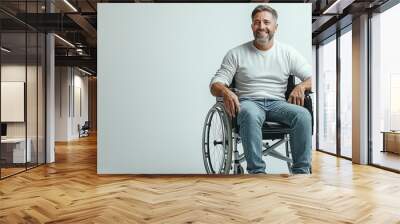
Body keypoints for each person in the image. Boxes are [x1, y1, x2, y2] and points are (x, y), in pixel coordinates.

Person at [209, 5, 312, 174]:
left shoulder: (287, 52)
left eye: (266, 22)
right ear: (252, 27)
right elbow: (215, 85)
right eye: (257, 22)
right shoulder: (236, 53)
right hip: (249, 102)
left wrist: (302, 86)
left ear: (275, 27)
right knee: (249, 114)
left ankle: (301, 172)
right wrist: (226, 91)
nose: (261, 26)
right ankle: (257, 173)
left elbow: (311, 77)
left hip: (278, 103)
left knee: (303, 115)